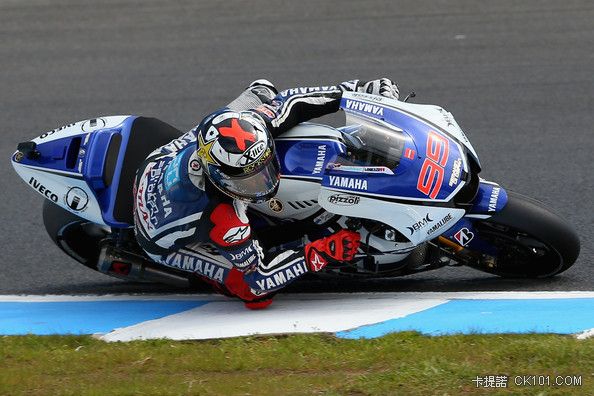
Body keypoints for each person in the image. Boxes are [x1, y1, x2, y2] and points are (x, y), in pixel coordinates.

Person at [133, 78, 400, 308]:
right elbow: (260, 278)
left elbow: (293, 101)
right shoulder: (224, 217)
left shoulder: (250, 124)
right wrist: (318, 253)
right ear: (220, 178)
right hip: (155, 235)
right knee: (252, 294)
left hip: (161, 159)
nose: (263, 182)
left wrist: (356, 91)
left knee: (263, 91)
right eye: (250, 180)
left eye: (264, 169)